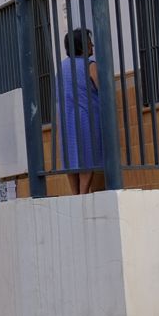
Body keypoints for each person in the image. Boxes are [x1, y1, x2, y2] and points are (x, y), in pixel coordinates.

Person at [56, 28, 106, 194]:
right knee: (87, 158)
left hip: (66, 120)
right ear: (81, 46)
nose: (92, 45)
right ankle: (83, 195)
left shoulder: (62, 68)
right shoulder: (90, 65)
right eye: (89, 42)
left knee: (72, 160)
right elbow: (102, 91)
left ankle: (76, 196)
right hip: (87, 118)